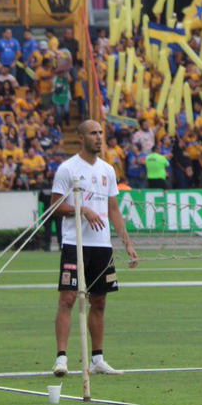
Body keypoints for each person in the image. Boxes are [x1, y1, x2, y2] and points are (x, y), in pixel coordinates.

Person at [50, 120, 138, 377]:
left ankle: (97, 359)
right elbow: (55, 206)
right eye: (93, 133)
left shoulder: (108, 170)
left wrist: (127, 243)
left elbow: (113, 210)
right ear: (80, 138)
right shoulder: (68, 169)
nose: (99, 137)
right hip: (74, 243)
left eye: (101, 132)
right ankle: (61, 359)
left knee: (99, 302)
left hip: (102, 246)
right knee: (67, 299)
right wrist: (82, 209)